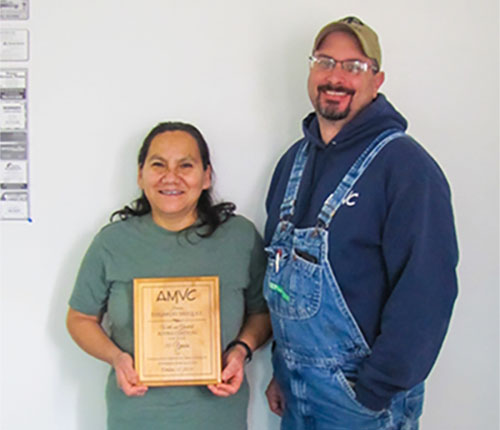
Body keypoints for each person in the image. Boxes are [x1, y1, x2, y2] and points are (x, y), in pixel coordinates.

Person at [263, 16, 458, 430]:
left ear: (377, 80)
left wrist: (373, 390)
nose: (336, 77)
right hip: (296, 396)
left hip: (360, 402)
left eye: (354, 66)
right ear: (312, 70)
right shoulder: (292, 163)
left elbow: (428, 290)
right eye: (325, 62)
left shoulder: (406, 167)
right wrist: (282, 369)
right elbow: (278, 275)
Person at [66, 121, 271, 430]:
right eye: (158, 165)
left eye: (185, 165)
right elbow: (79, 318)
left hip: (218, 417)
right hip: (137, 416)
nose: (170, 177)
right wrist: (117, 359)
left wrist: (241, 351)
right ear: (140, 175)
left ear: (206, 177)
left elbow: (263, 312)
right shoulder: (112, 242)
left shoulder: (239, 238)